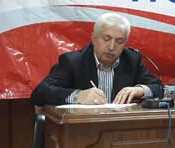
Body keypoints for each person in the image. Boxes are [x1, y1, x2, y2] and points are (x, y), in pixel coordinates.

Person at [31, 12, 163, 106]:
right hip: (82, 130)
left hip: (121, 129)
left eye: (119, 41)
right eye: (106, 39)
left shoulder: (131, 60)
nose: (111, 47)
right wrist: (78, 96)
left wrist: (139, 90)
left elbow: (159, 88)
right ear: (94, 38)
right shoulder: (73, 62)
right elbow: (40, 93)